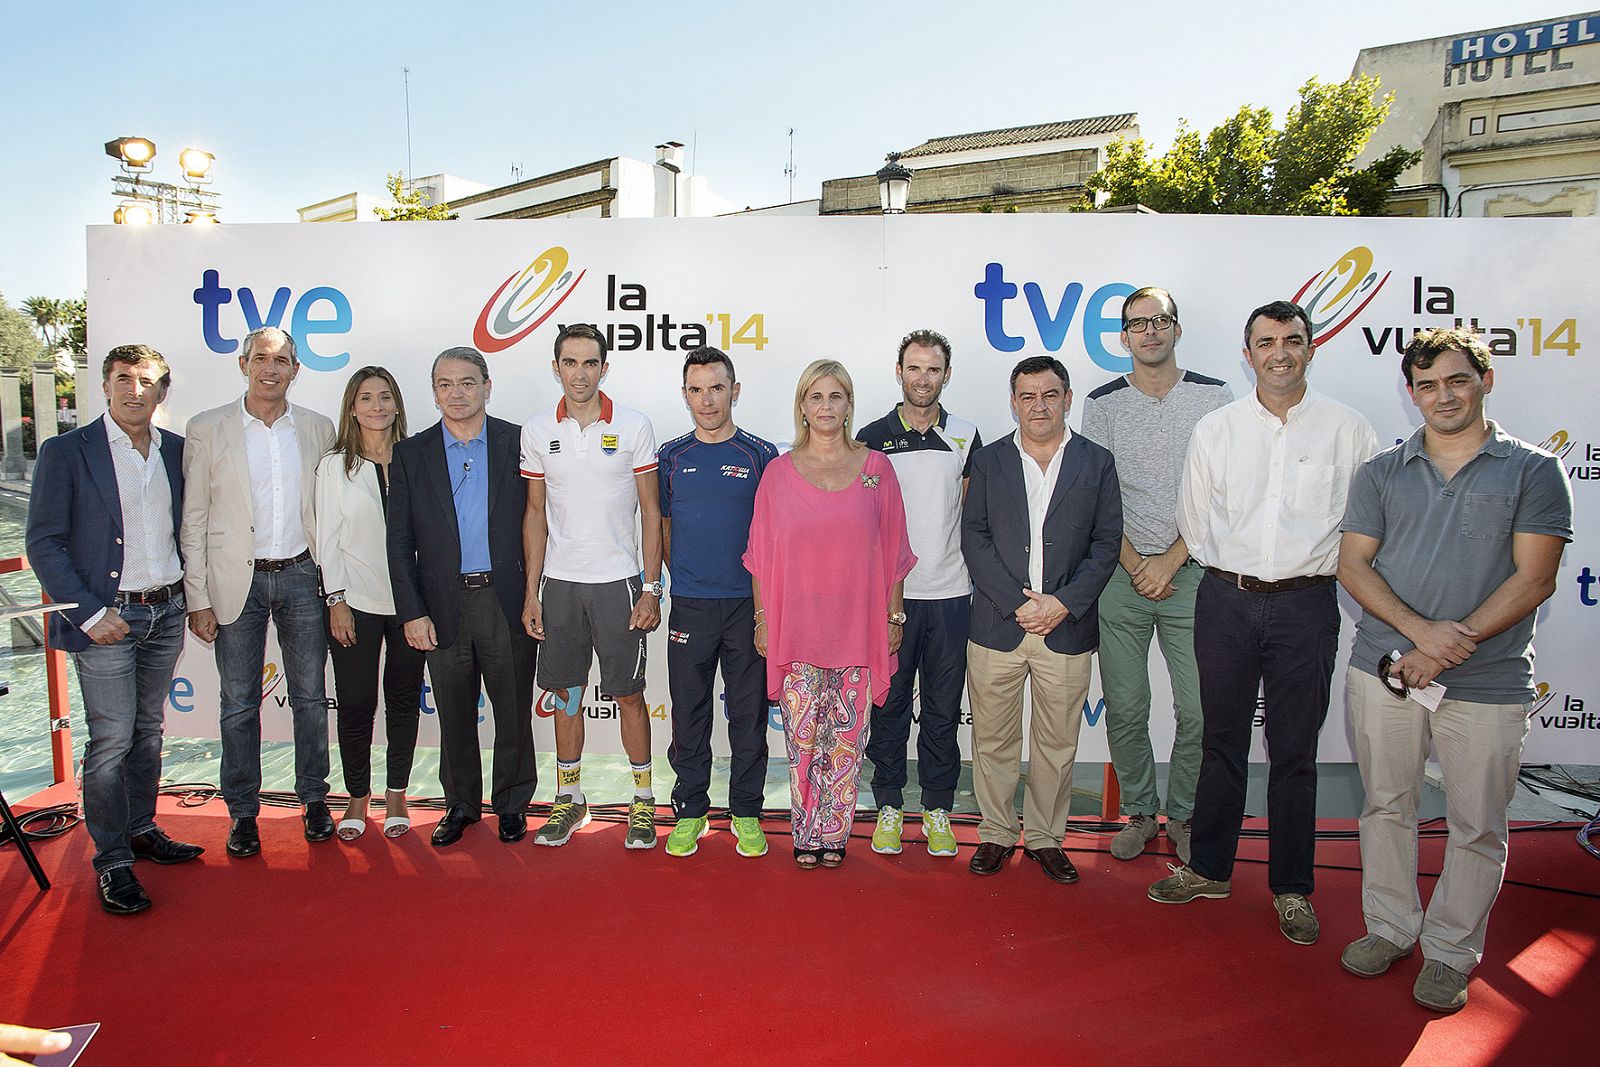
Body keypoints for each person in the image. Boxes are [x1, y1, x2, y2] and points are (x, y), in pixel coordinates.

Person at [1336, 328, 1571, 1012]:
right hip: (1386, 670)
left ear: (1485, 381)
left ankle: (1449, 951)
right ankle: (1389, 927)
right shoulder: (1382, 469)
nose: (1443, 395)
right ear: (1412, 394)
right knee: (1386, 806)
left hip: (1490, 682)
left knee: (1477, 824)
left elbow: (1535, 579)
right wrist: (1419, 635)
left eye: (1457, 380)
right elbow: (1354, 564)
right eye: (1428, 384)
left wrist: (1446, 645)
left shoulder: (1533, 470)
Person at [1150, 300, 1378, 946]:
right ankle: (1210, 867)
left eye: (1292, 340)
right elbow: (1195, 523)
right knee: (1221, 739)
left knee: (1294, 750)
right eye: (1266, 342)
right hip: (1224, 598)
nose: (1280, 351)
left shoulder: (1350, 431)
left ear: (1311, 348)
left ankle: (1292, 887)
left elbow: (1365, 528)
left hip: (1308, 604)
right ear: (1246, 355)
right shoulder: (1216, 431)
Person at [27, 344, 203, 914]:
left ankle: (140, 827)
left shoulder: (177, 452)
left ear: (161, 391)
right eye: (123, 378)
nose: (134, 389)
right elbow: (43, 542)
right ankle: (112, 860)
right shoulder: (66, 452)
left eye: (146, 380)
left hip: (166, 610)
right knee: (110, 741)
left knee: (148, 731)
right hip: (106, 619)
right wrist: (88, 612)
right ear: (104, 386)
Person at [1080, 288, 1232, 864]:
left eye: (1159, 321)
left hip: (1193, 572)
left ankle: (1186, 813)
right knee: (1125, 705)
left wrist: (1170, 559)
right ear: (1123, 337)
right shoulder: (1103, 404)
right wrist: (1136, 563)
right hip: (1120, 575)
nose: (1149, 332)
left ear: (1176, 328)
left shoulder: (1215, 398)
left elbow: (1224, 492)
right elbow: (1093, 496)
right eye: (1137, 324)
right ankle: (1142, 813)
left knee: (1198, 709)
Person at [745, 359, 916, 869]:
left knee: (844, 745)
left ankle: (834, 834)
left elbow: (896, 549)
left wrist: (894, 616)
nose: (825, 407)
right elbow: (759, 555)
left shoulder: (875, 469)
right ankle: (805, 832)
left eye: (835, 396)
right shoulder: (776, 473)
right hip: (796, 630)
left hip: (856, 629)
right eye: (815, 397)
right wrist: (762, 620)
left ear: (848, 405)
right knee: (800, 741)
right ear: (802, 405)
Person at [962, 355, 1122, 885]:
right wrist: (1018, 603)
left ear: (1068, 398)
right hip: (997, 624)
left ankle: (1047, 838)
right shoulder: (987, 462)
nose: (1039, 405)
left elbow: (1105, 545)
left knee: (1057, 743)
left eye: (1049, 395)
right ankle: (996, 833)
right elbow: (975, 539)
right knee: (993, 741)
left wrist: (1062, 603)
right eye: (1027, 396)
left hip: (1066, 626)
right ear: (1013, 401)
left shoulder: (1096, 463)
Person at [181, 326, 336, 858]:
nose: (272, 369)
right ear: (243, 364)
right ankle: (243, 813)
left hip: (301, 575)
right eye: (262, 359)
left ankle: (315, 800)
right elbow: (194, 517)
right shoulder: (206, 428)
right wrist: (197, 597)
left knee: (311, 698)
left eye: (284, 360)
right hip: (234, 583)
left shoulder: (318, 427)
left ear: (297, 369)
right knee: (239, 703)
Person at [521, 324, 663, 849]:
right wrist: (531, 591)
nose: (579, 373)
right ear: (555, 367)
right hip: (559, 586)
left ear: (604, 368)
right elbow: (535, 514)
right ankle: (570, 798)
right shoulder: (536, 430)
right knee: (566, 696)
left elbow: (651, 512)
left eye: (589, 363)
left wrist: (652, 587)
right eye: (569, 362)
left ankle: (643, 802)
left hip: (619, 584)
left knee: (628, 695)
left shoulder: (633, 425)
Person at [388, 346, 538, 847]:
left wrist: (535, 594)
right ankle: (461, 806)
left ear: (487, 386)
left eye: (468, 382)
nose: (457, 393)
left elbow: (541, 520)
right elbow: (399, 541)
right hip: (442, 603)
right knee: (453, 711)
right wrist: (412, 611)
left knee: (514, 708)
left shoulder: (519, 442)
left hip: (506, 599)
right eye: (446, 384)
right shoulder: (410, 453)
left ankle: (513, 804)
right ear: (433, 393)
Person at [856, 329, 981, 859]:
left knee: (942, 709)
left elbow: (970, 520)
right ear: (899, 372)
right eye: (914, 368)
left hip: (951, 596)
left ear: (946, 375)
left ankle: (936, 808)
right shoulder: (870, 436)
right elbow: (859, 526)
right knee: (886, 707)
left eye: (933, 369)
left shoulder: (967, 435)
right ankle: (887, 803)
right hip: (889, 601)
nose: (923, 378)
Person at [657, 347, 779, 859]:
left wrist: (765, 608)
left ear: (735, 390)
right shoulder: (671, 457)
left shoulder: (761, 455)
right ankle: (690, 810)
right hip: (690, 605)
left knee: (748, 716)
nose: (706, 400)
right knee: (688, 714)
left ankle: (747, 812)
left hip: (748, 608)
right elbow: (660, 527)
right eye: (696, 389)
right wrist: (679, 576)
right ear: (684, 394)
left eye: (716, 388)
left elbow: (775, 535)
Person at [314, 366, 426, 841]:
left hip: (410, 607)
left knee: (403, 703)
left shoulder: (418, 458)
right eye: (366, 398)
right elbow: (327, 540)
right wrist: (336, 600)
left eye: (385, 396)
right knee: (357, 705)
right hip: (354, 603)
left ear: (397, 403)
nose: (376, 406)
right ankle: (358, 797)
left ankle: (397, 792)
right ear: (352, 407)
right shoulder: (335, 466)